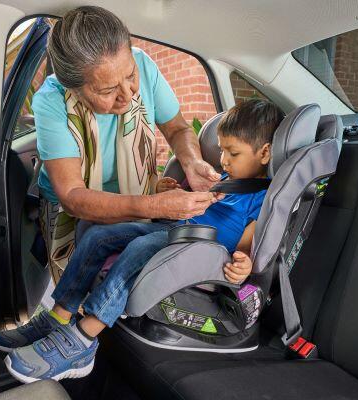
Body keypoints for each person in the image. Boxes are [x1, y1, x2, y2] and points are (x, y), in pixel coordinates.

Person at [0, 99, 284, 383]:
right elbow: (186, 198)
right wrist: (167, 188)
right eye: (222, 150)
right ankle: (59, 316)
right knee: (99, 235)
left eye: (233, 153)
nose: (223, 160)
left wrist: (243, 265)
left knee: (139, 249)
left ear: (264, 152)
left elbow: (246, 250)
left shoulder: (261, 198)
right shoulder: (223, 178)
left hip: (200, 254)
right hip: (174, 234)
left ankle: (84, 339)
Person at [31, 6, 221, 282]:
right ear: (72, 88)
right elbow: (72, 196)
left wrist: (192, 161)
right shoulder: (51, 101)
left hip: (137, 194)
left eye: (130, 76)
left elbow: (178, 129)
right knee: (77, 285)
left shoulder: (143, 63)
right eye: (107, 90)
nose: (129, 94)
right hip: (71, 210)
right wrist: (155, 206)